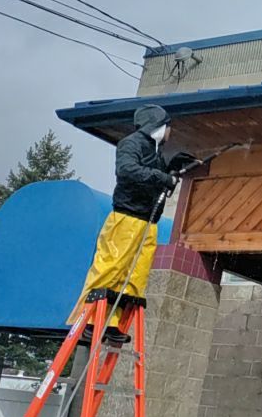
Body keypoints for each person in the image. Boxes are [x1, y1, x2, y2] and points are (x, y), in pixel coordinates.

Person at [68, 104, 195, 343]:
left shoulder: (154, 150)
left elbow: (148, 174)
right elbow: (127, 171)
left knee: (134, 275)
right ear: (157, 125)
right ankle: (89, 320)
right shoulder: (131, 143)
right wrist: (162, 176)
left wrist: (171, 167)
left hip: (147, 222)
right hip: (126, 218)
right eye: (168, 127)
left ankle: (114, 323)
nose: (170, 132)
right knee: (112, 268)